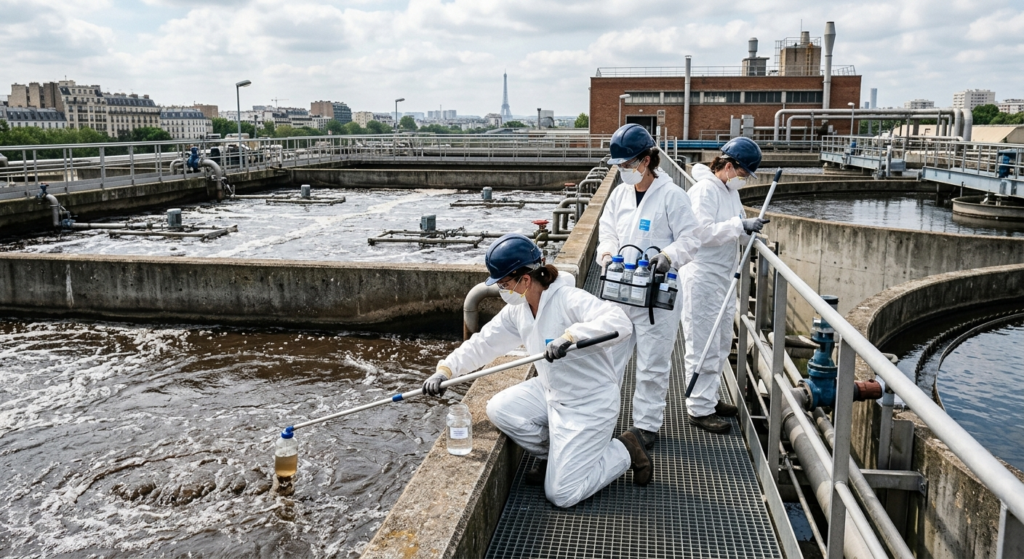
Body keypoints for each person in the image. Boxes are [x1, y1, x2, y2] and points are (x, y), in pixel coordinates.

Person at [421, 233, 651, 508]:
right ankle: (557, 455)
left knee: (562, 494)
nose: (502, 290)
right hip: (551, 391)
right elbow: (483, 343)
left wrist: (572, 336)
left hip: (589, 402)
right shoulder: (518, 311)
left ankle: (626, 448)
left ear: (525, 279)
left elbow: (620, 322)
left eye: (505, 283)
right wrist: (445, 370)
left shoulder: (568, 298)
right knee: (499, 408)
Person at [596, 123, 701, 450]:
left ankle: (646, 426)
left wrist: (669, 255)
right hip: (621, 289)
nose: (623, 171)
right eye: (620, 166)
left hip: (658, 295)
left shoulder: (672, 195)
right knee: (608, 359)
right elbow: (607, 230)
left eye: (627, 165)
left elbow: (691, 238)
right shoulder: (619, 194)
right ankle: (600, 420)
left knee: (653, 363)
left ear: (646, 160)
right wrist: (607, 253)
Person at [682, 137, 768, 434]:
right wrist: (739, 227)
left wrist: (751, 234)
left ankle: (710, 396)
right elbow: (700, 232)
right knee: (702, 344)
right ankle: (698, 408)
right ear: (729, 166)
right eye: (743, 173)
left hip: (722, 277)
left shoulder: (728, 191)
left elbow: (736, 227)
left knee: (719, 343)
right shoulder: (705, 190)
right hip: (703, 276)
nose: (744, 179)